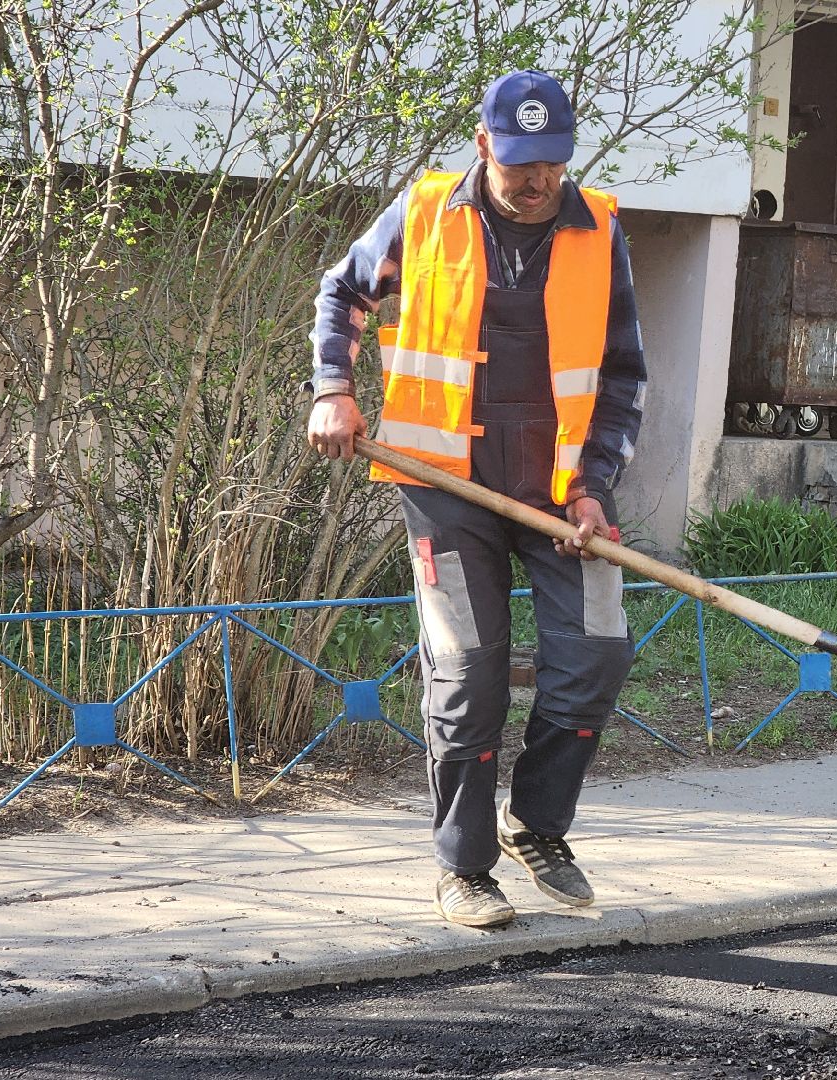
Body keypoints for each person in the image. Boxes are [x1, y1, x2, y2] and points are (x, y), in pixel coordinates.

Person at [305, 70, 646, 929]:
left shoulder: (599, 228)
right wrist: (332, 388)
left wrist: (596, 489)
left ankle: (537, 826)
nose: (537, 181)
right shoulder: (424, 214)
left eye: (553, 164)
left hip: (564, 495)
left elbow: (621, 378)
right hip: (444, 487)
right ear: (486, 144)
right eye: (522, 162)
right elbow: (343, 291)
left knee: (598, 651)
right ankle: (464, 868)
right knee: (467, 673)